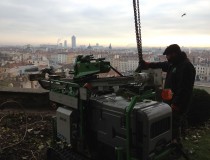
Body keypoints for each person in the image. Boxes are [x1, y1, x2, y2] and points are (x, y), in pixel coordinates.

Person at [136, 44, 196, 144]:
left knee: (174, 126)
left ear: (174, 54)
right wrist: (148, 64)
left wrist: (176, 104)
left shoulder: (186, 67)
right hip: (170, 102)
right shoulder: (174, 63)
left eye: (167, 55)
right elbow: (162, 65)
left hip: (178, 104)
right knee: (175, 123)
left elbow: (185, 89)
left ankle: (176, 147)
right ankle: (178, 140)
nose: (166, 58)